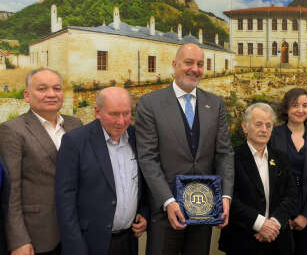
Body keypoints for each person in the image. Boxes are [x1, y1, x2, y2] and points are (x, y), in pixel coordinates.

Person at [135, 43, 234, 255]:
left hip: (204, 209)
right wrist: (168, 201)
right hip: (165, 212)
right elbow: (147, 158)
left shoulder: (215, 104)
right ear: (175, 65)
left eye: (200, 64)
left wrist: (225, 197)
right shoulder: (150, 104)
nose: (195, 69)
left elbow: (225, 153)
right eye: (189, 62)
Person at [55, 87, 148, 255]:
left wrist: (143, 213)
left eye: (126, 114)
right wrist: (76, 248)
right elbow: (65, 201)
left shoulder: (136, 137)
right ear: (97, 112)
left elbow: (142, 182)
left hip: (129, 241)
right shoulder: (75, 141)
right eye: (114, 114)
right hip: (90, 244)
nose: (121, 121)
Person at [0, 68, 82, 255]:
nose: (51, 94)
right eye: (42, 89)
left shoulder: (75, 124)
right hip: (37, 234)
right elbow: (11, 191)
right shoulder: (12, 130)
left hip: (74, 228)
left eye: (57, 88)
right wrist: (18, 239)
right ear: (27, 96)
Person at [218, 102, 297, 255]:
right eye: (258, 124)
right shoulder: (231, 159)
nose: (264, 130)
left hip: (277, 239)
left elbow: (292, 195)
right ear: (245, 127)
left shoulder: (281, 158)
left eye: (268, 125)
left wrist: (273, 224)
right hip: (242, 240)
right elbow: (228, 198)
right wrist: (260, 224)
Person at [270, 88, 307, 255]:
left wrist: (306, 215)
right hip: (279, 214)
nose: (301, 110)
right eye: (295, 105)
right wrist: (282, 215)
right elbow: (270, 178)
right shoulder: (274, 135)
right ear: (286, 108)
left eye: (305, 105)